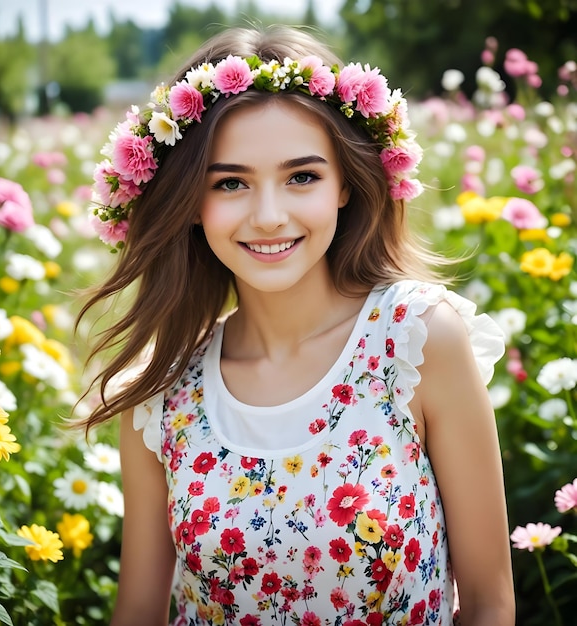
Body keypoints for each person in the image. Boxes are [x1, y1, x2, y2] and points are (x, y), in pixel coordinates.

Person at [78, 24, 515, 626]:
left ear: (344, 185)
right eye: (230, 183)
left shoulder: (414, 341)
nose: (268, 216)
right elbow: (138, 613)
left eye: (301, 177)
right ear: (190, 205)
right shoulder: (162, 395)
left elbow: (491, 606)